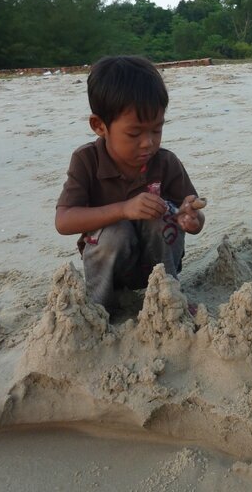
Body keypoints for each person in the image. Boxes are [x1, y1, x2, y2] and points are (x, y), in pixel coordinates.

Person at [55, 56, 205, 315]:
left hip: (157, 264)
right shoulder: (86, 161)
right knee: (116, 232)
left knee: (164, 213)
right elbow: (64, 220)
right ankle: (100, 310)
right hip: (109, 268)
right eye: (134, 134)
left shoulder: (166, 162)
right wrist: (124, 209)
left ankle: (169, 297)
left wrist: (192, 218)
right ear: (99, 126)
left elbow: (192, 215)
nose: (148, 142)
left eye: (156, 130)